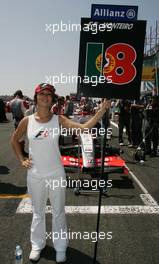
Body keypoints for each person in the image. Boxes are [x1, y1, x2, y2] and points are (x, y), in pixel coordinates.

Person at [11, 83, 110, 263]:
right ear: (36, 97)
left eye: (49, 94)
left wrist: (102, 110)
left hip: (56, 174)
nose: (45, 97)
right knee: (38, 212)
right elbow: (14, 140)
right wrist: (22, 159)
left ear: (53, 99)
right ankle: (37, 245)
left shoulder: (58, 119)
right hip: (35, 175)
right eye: (42, 94)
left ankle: (61, 247)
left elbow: (84, 128)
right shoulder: (27, 121)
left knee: (58, 212)